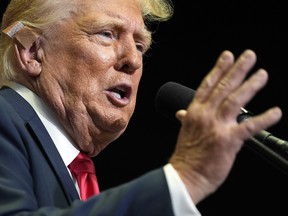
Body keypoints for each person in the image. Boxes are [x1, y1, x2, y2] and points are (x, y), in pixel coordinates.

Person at [0, 0, 282, 215]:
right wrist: (183, 179)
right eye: (107, 34)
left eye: (139, 45)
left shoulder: (72, 169)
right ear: (32, 51)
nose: (133, 60)